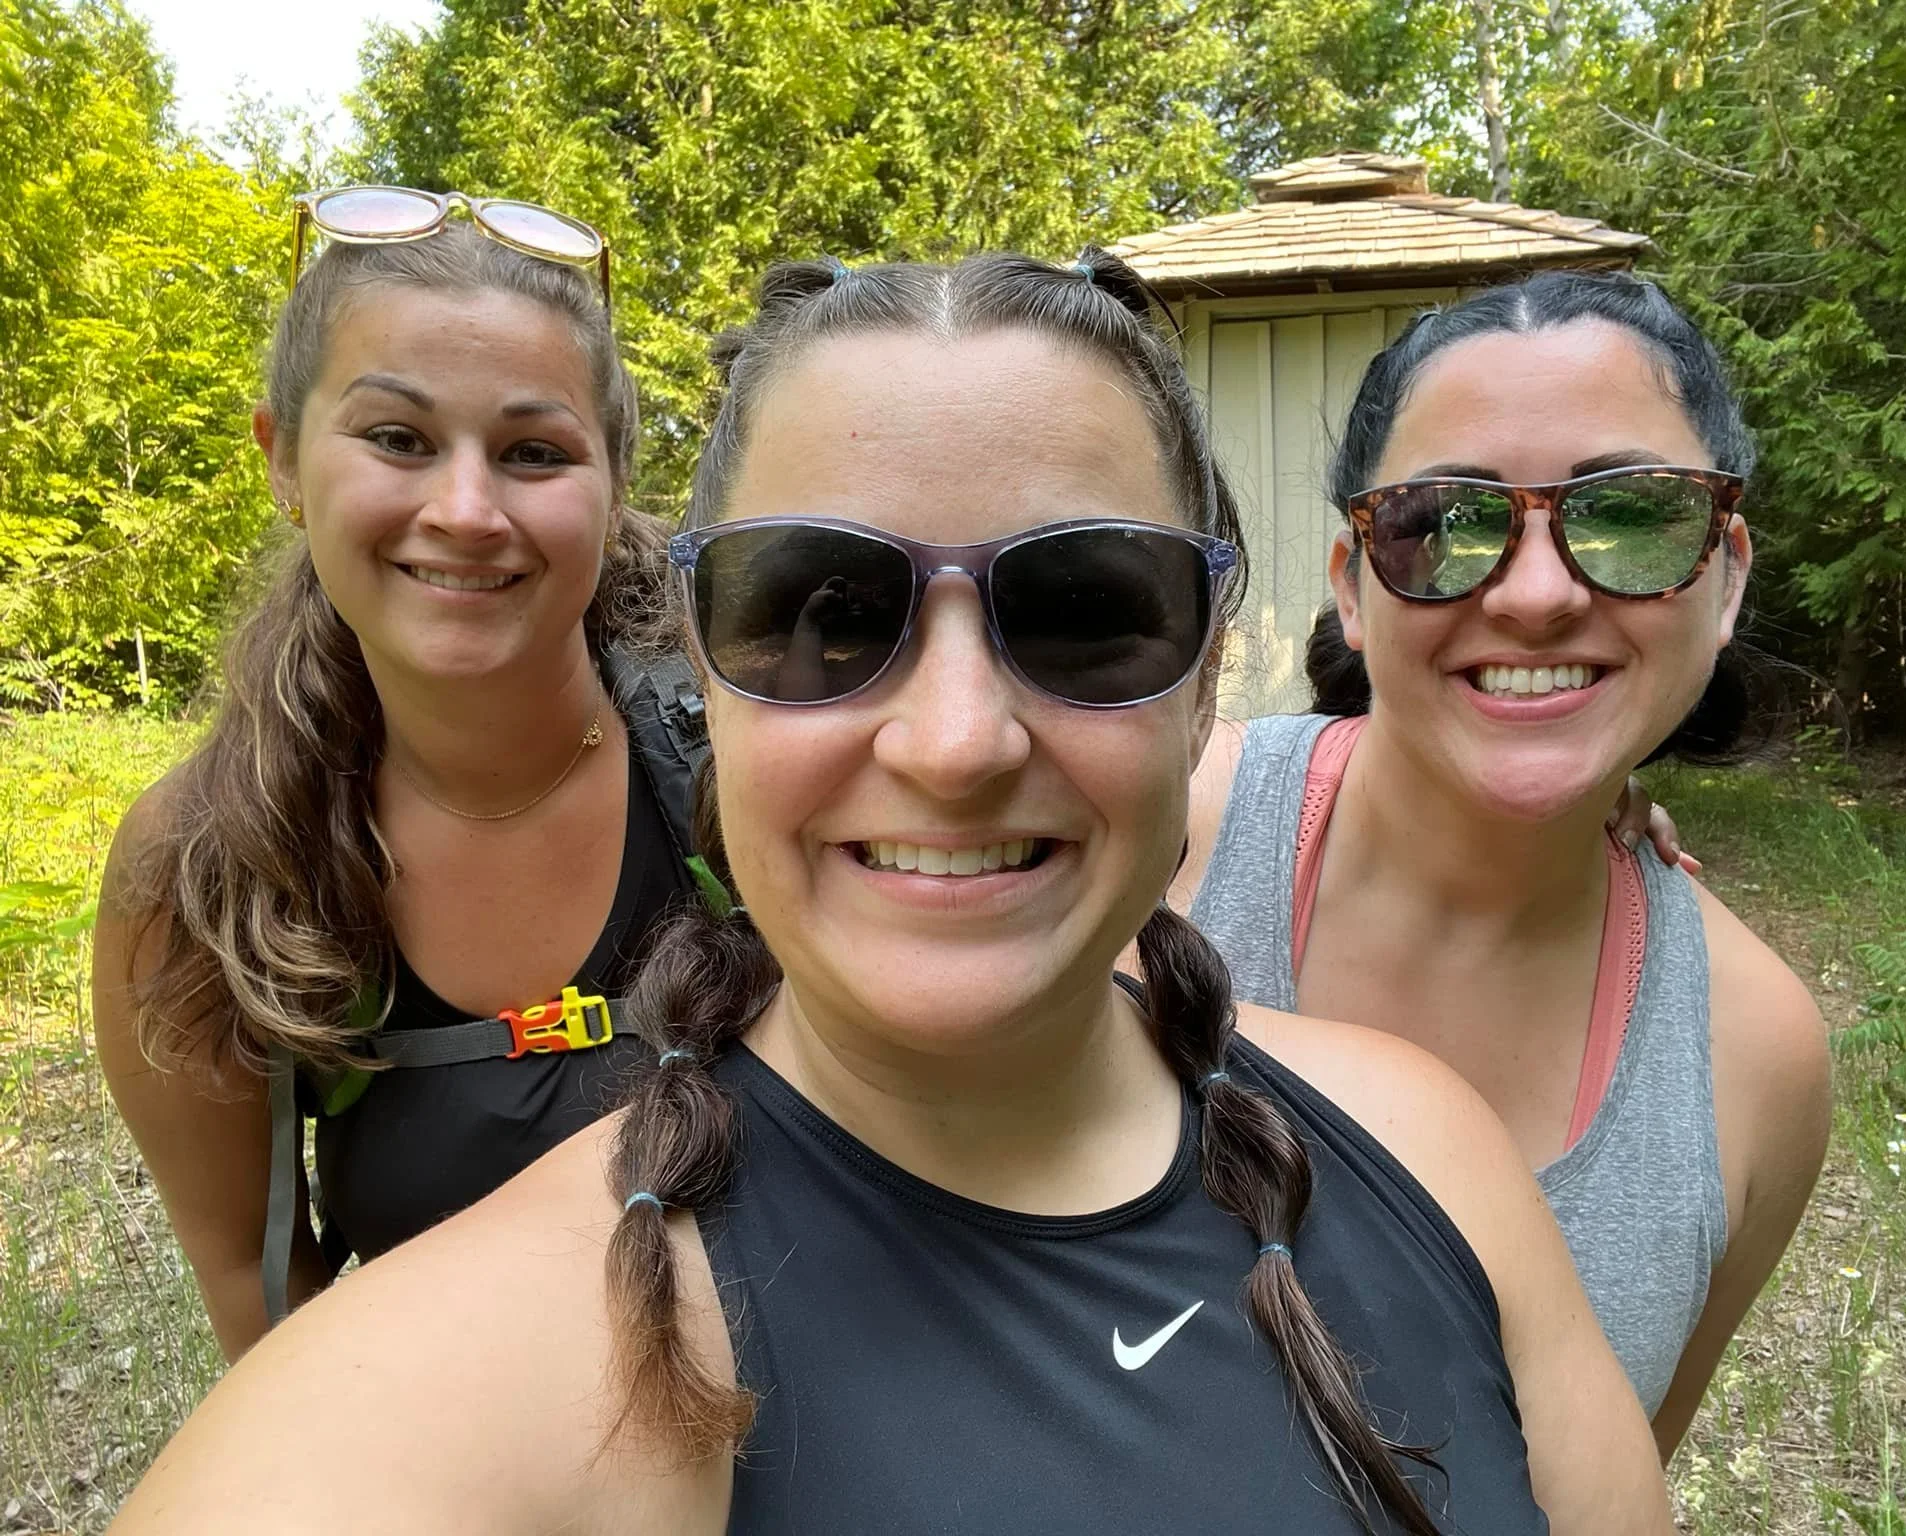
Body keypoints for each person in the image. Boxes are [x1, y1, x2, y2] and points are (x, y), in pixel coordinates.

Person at [109, 251, 1678, 1536]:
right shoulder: (461, 1381)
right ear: (700, 679)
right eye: (823, 614)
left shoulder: (1429, 1151)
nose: (952, 741)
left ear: (1209, 681)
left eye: (1084, 613)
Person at [1176, 270, 1832, 1459]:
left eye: (1632, 515)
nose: (1534, 595)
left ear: (1725, 573)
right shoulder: (1161, 841)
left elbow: (1613, 1479)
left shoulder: (1752, 1059)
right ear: (1354, 589)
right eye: (1447, 522)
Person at [92, 189, 712, 1362]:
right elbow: (258, 1283)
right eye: (397, 439)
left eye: (533, 453)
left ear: (612, 480)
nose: (465, 511)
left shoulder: (749, 767)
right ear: (281, 459)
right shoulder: (201, 868)